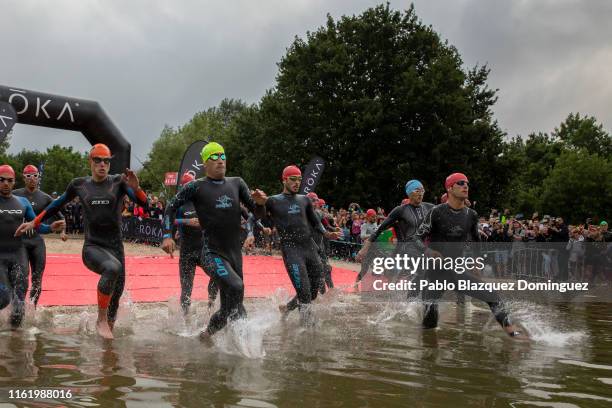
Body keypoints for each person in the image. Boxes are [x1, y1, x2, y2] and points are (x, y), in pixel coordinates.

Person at [17, 144, 149, 339]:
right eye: (98, 160)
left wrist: (137, 189)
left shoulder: (119, 182)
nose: (102, 164)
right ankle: (100, 320)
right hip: (92, 247)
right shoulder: (79, 185)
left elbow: (144, 204)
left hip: (116, 247)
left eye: (106, 161)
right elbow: (56, 205)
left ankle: (108, 341)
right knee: (112, 269)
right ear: (90, 162)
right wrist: (34, 222)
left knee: (116, 295)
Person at [161, 142, 267, 342]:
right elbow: (169, 207)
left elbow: (257, 213)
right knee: (236, 286)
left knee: (232, 306)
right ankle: (243, 345)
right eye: (214, 157)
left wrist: (261, 204)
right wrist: (167, 234)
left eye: (223, 156)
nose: (220, 160)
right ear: (204, 163)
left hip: (235, 255)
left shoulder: (237, 183)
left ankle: (207, 336)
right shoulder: (196, 186)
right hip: (212, 253)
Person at [413, 173, 522, 338]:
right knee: (430, 325)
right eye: (461, 183)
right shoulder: (436, 212)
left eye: (467, 184)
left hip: (455, 271)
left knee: (493, 296)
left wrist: (477, 263)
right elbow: (416, 238)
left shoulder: (471, 215)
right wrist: (428, 251)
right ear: (450, 188)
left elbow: (477, 242)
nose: (466, 186)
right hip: (434, 274)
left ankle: (514, 334)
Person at [263, 166, 340, 322]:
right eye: (293, 179)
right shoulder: (273, 201)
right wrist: (259, 214)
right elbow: (255, 215)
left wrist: (326, 232)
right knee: (304, 293)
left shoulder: (304, 200)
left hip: (309, 248)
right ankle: (306, 331)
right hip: (291, 251)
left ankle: (287, 308)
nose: (297, 183)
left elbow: (316, 221)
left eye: (299, 179)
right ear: (284, 180)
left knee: (314, 291)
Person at [1, 165, 64, 328]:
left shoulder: (23, 202)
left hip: (18, 254)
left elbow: (36, 225)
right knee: (4, 297)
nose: (6, 183)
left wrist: (51, 228)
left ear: (14, 182)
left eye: (9, 180)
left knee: (19, 302)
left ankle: (14, 343)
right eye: (2, 180)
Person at [355, 180, 434, 282]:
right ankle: (359, 283)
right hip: (405, 250)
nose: (421, 193)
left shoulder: (429, 207)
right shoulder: (400, 211)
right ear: (409, 193)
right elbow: (380, 229)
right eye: (417, 190)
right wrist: (364, 248)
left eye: (422, 190)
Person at [13, 164, 68, 306]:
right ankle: (18, 307)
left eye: (35, 176)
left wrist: (62, 231)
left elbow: (61, 217)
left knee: (37, 280)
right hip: (21, 242)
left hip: (37, 242)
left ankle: (32, 309)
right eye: (28, 176)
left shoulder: (45, 198)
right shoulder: (15, 194)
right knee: (22, 277)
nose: (32, 179)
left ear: (39, 178)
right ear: (23, 178)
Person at [174, 172, 219, 315]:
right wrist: (187, 222)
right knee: (186, 288)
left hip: (202, 249)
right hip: (187, 251)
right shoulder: (180, 204)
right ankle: (185, 317)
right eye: (187, 186)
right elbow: (171, 219)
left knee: (217, 274)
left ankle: (211, 303)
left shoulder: (201, 202)